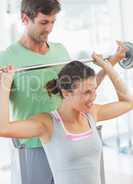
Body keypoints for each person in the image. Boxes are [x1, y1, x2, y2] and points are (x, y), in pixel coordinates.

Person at [0, 0, 128, 184]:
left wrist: (113, 61)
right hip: (34, 143)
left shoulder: (60, 51)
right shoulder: (7, 59)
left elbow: (79, 92)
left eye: (53, 22)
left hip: (67, 141)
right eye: (44, 22)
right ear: (25, 19)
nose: (49, 28)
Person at [0, 52, 133, 184]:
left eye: (94, 90)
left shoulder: (91, 114)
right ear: (66, 93)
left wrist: (108, 67)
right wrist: (5, 85)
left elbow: (128, 102)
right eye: (87, 92)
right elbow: (3, 128)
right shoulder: (48, 123)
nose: (93, 97)